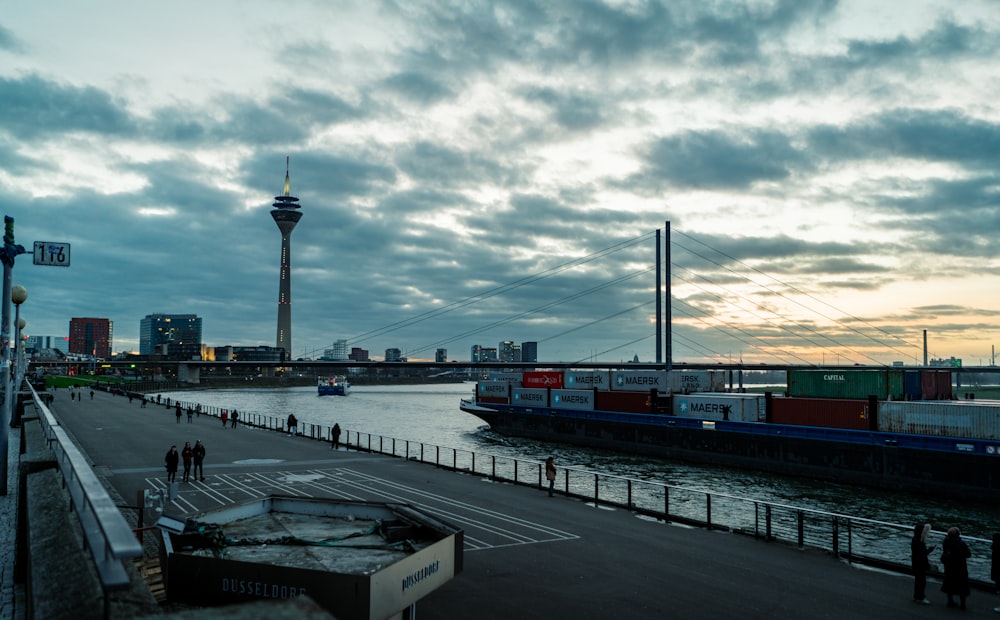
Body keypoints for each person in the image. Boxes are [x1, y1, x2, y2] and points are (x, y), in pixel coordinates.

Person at [941, 526, 972, 610]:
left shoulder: (946, 542)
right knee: (962, 585)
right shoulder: (961, 543)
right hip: (960, 567)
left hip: (949, 566)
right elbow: (968, 554)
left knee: (949, 582)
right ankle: (963, 604)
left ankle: (950, 601)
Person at [910, 523, 934, 605]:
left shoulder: (915, 540)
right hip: (921, 564)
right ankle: (920, 597)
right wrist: (930, 550)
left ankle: (917, 596)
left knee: (918, 581)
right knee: (922, 581)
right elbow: (922, 554)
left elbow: (918, 554)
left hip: (916, 563)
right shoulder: (920, 541)